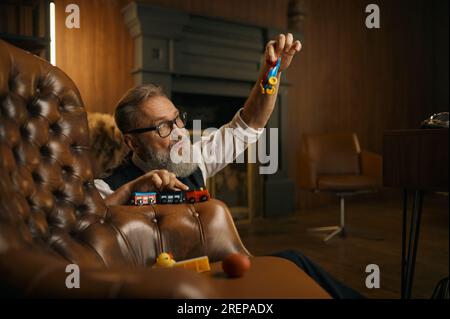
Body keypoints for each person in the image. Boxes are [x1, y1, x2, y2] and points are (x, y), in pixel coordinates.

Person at [94, 33, 363, 299]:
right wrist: (131, 190)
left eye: (177, 120)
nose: (178, 132)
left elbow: (250, 124)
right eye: (163, 126)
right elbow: (87, 229)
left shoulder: (193, 160)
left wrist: (273, 70)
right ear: (132, 143)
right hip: (172, 290)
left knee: (295, 261)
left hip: (217, 273)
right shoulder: (106, 187)